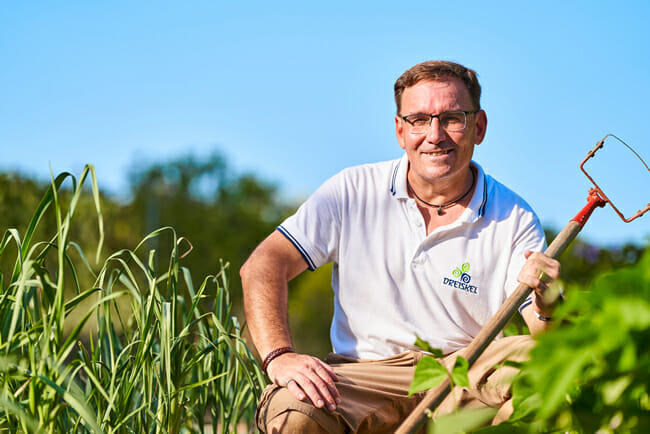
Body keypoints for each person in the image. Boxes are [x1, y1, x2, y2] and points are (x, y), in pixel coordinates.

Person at [241, 60, 561, 433]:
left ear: (479, 127)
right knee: (293, 412)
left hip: (462, 374)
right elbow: (264, 264)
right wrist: (280, 357)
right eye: (420, 120)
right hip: (362, 378)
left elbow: (543, 334)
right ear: (400, 130)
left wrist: (547, 302)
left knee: (544, 369)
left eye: (452, 118)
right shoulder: (351, 191)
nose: (435, 134)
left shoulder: (515, 217)